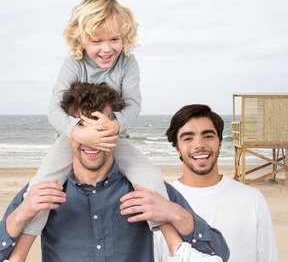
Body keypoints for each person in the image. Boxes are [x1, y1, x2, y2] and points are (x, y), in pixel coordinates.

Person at [8, 0, 180, 261]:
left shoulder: (128, 64)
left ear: (126, 37)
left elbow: (133, 105)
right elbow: (54, 110)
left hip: (113, 139)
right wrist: (80, 132)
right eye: (96, 40)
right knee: (42, 187)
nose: (107, 48)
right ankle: (18, 254)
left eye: (114, 39)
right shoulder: (72, 64)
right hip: (72, 140)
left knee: (149, 175)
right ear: (80, 39)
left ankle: (175, 245)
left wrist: (114, 125)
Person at [0, 83, 229, 262]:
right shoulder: (40, 191)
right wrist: (21, 214)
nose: (93, 141)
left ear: (116, 133)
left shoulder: (147, 190)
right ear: (67, 135)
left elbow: (219, 253)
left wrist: (174, 213)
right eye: (83, 130)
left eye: (101, 130)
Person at [154, 104, 279, 262]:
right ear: (177, 148)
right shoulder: (161, 203)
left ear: (220, 143)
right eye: (188, 138)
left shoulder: (252, 199)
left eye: (208, 136)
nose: (199, 145)